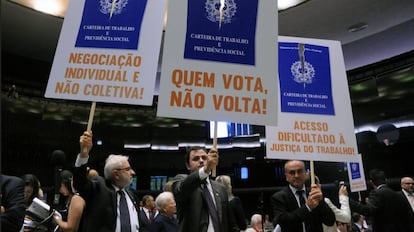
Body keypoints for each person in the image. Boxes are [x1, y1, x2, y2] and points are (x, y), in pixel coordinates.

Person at [73, 130, 141, 232]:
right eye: (128, 169)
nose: (133, 172)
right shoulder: (99, 188)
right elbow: (80, 183)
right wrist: (83, 154)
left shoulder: (132, 196)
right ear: (116, 174)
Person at [171, 146, 239, 232]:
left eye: (204, 157)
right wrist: (205, 170)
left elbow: (230, 223)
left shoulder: (220, 188)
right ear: (188, 165)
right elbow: (182, 189)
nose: (201, 161)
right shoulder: (181, 180)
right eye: (196, 159)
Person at [270, 160, 335, 232]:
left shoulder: (313, 193)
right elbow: (284, 224)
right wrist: (307, 207)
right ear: (286, 177)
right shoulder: (279, 197)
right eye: (292, 173)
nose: (296, 175)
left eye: (300, 171)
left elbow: (330, 221)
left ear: (305, 173)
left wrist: (321, 202)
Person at [349, 169, 414, 232]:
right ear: (385, 180)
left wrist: (348, 200)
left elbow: (368, 211)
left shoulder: (376, 193)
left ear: (371, 182)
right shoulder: (395, 193)